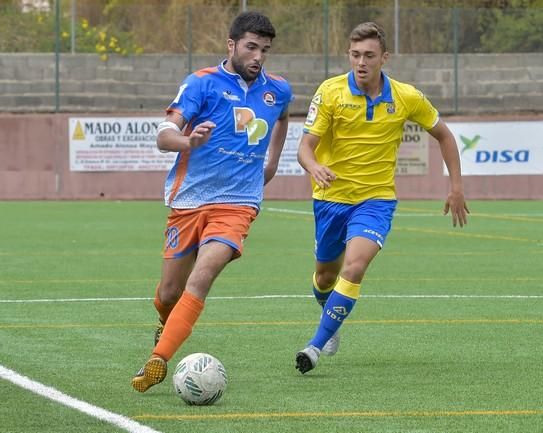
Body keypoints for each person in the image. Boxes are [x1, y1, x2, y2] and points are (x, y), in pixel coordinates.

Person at [131, 11, 293, 392]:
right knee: (169, 293)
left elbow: (283, 117)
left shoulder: (278, 90)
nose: (258, 56)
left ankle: (158, 361)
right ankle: (166, 325)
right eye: (251, 47)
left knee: (202, 276)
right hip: (189, 200)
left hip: (238, 203)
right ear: (231, 44)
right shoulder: (201, 84)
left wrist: (272, 161)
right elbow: (164, 134)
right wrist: (189, 142)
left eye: (265, 50)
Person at [294, 22, 469, 374]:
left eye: (369, 56)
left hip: (376, 200)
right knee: (325, 277)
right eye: (355, 55)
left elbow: (444, 135)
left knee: (355, 267)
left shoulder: (406, 97)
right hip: (330, 199)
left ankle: (313, 346)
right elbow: (305, 148)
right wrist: (313, 166)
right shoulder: (329, 92)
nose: (361, 62)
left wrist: (456, 186)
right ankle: (328, 313)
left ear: (384, 58)